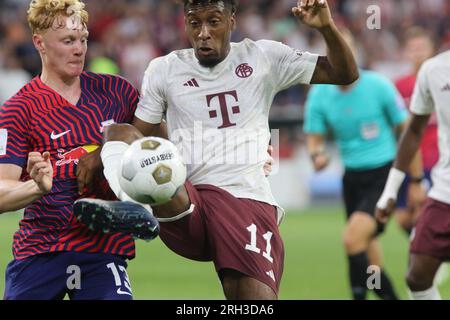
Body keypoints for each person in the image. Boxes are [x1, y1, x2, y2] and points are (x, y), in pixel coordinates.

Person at [74, 0, 359, 300]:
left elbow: (344, 73)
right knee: (118, 132)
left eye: (214, 21)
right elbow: (138, 134)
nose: (204, 33)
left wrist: (327, 27)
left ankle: (140, 207)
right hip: (188, 202)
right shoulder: (164, 69)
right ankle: (134, 208)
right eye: (195, 23)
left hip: (245, 200)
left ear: (232, 21)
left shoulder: (263, 56)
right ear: (185, 24)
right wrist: (98, 156)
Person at [0, 0, 158, 300]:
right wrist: (36, 187)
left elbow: (161, 146)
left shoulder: (118, 92)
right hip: (40, 250)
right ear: (39, 42)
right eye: (68, 41)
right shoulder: (18, 109)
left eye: (84, 39)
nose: (79, 49)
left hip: (103, 251)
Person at [303, 30, 424, 300]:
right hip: (352, 179)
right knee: (369, 257)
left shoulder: (378, 86)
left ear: (354, 51)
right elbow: (314, 136)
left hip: (383, 175)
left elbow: (408, 134)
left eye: (346, 47)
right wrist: (317, 155)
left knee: (352, 239)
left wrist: (415, 180)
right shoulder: (320, 94)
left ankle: (358, 295)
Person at [376, 49, 450, 300]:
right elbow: (414, 130)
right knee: (417, 276)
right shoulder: (434, 70)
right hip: (444, 191)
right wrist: (390, 190)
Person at [394, 27, 437, 235]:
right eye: (413, 48)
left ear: (431, 50)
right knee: (403, 219)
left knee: (424, 216)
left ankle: (428, 262)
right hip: (407, 161)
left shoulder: (441, 83)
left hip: (436, 160)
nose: (418, 52)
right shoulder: (399, 86)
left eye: (422, 47)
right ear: (406, 52)